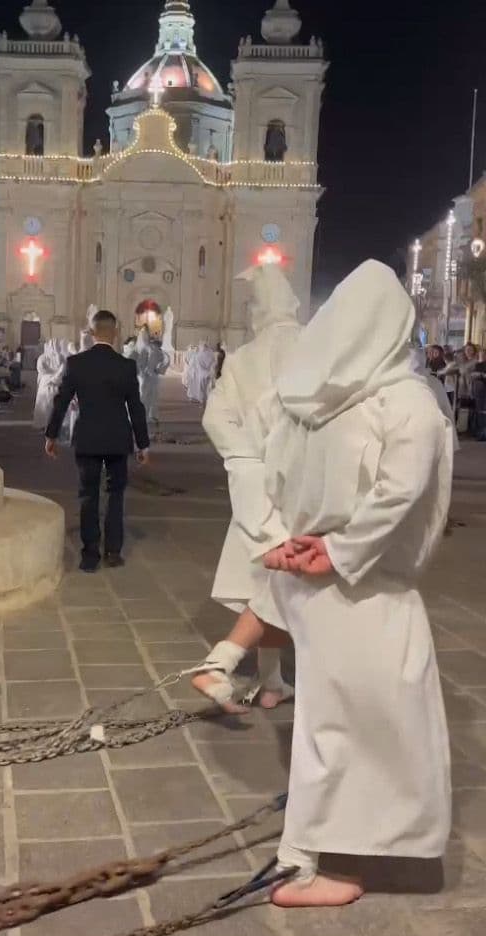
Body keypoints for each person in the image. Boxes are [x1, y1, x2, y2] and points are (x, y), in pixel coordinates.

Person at [256, 260, 453, 908]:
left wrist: (293, 539)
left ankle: (316, 846)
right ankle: (319, 859)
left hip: (315, 578)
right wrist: (341, 551)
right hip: (368, 588)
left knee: (333, 718)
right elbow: (401, 494)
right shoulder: (406, 401)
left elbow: (274, 475)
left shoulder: (309, 398)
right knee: (364, 724)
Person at [188, 264, 302, 710]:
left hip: (256, 486)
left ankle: (271, 681)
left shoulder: (242, 358)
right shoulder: (316, 347)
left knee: (266, 585)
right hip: (307, 484)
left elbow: (215, 418)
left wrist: (246, 461)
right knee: (299, 586)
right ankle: (243, 670)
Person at [45, 310, 150, 573]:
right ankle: (113, 551)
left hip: (87, 438)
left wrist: (51, 435)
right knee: (115, 494)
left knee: (88, 494)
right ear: (115, 333)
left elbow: (61, 401)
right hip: (117, 438)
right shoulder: (126, 366)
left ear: (92, 333)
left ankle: (90, 553)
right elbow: (136, 408)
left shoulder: (76, 363)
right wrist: (143, 444)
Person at [32, 339, 65, 431]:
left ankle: (49, 424)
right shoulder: (44, 357)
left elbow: (42, 369)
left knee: (49, 405)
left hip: (49, 383)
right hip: (50, 383)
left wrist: (52, 375)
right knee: (46, 405)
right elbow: (61, 370)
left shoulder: (59, 357)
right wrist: (55, 375)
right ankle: (45, 423)